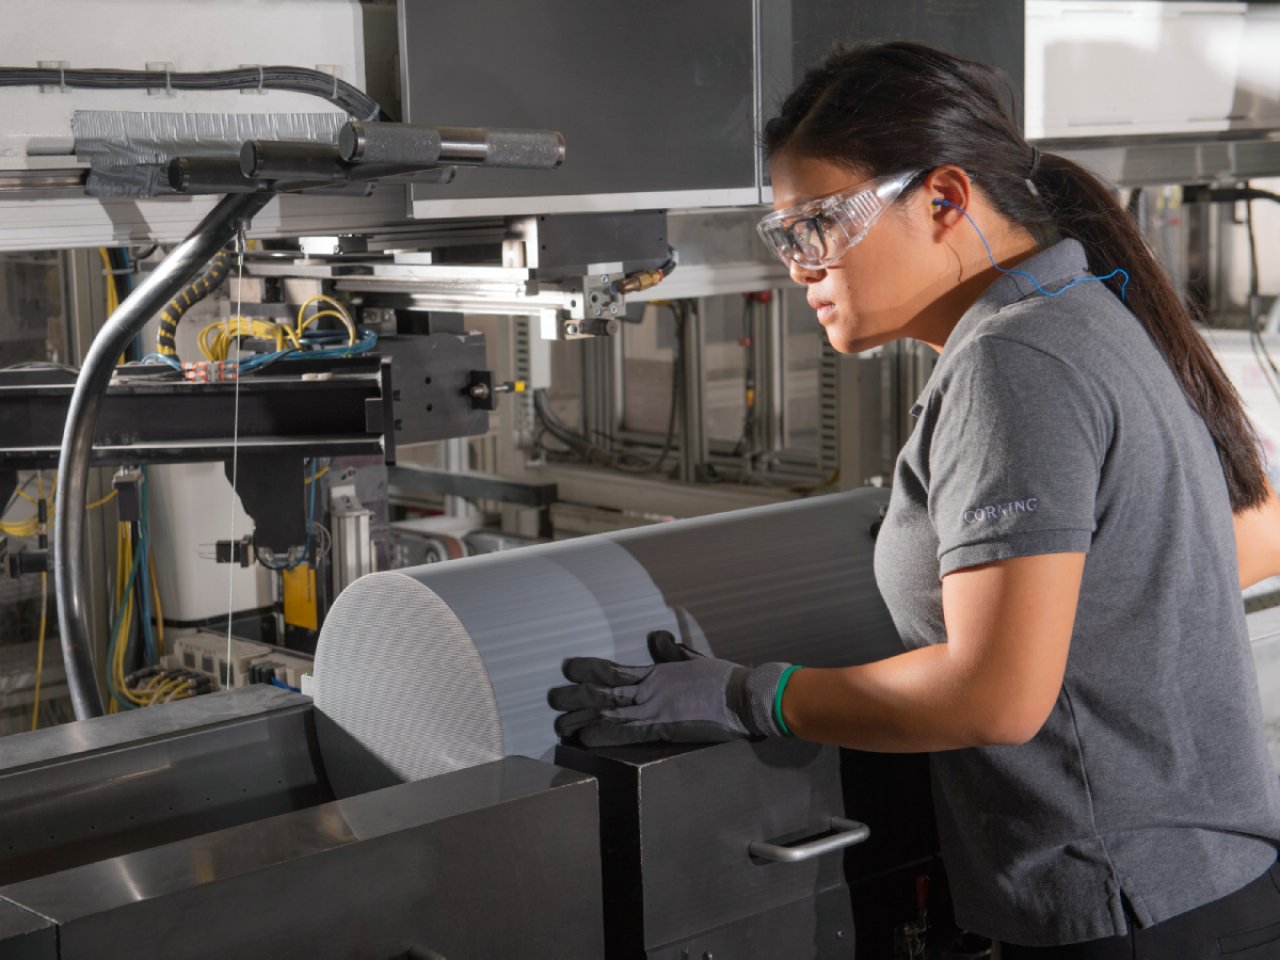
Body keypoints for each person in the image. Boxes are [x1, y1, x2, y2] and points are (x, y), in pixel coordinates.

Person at [549, 41, 1280, 956]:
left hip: (1124, 908)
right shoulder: (1088, 308)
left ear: (944, 199)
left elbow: (998, 695)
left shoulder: (1015, 363)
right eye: (784, 238)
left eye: (816, 225)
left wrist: (754, 696)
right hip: (1197, 895)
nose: (798, 267)